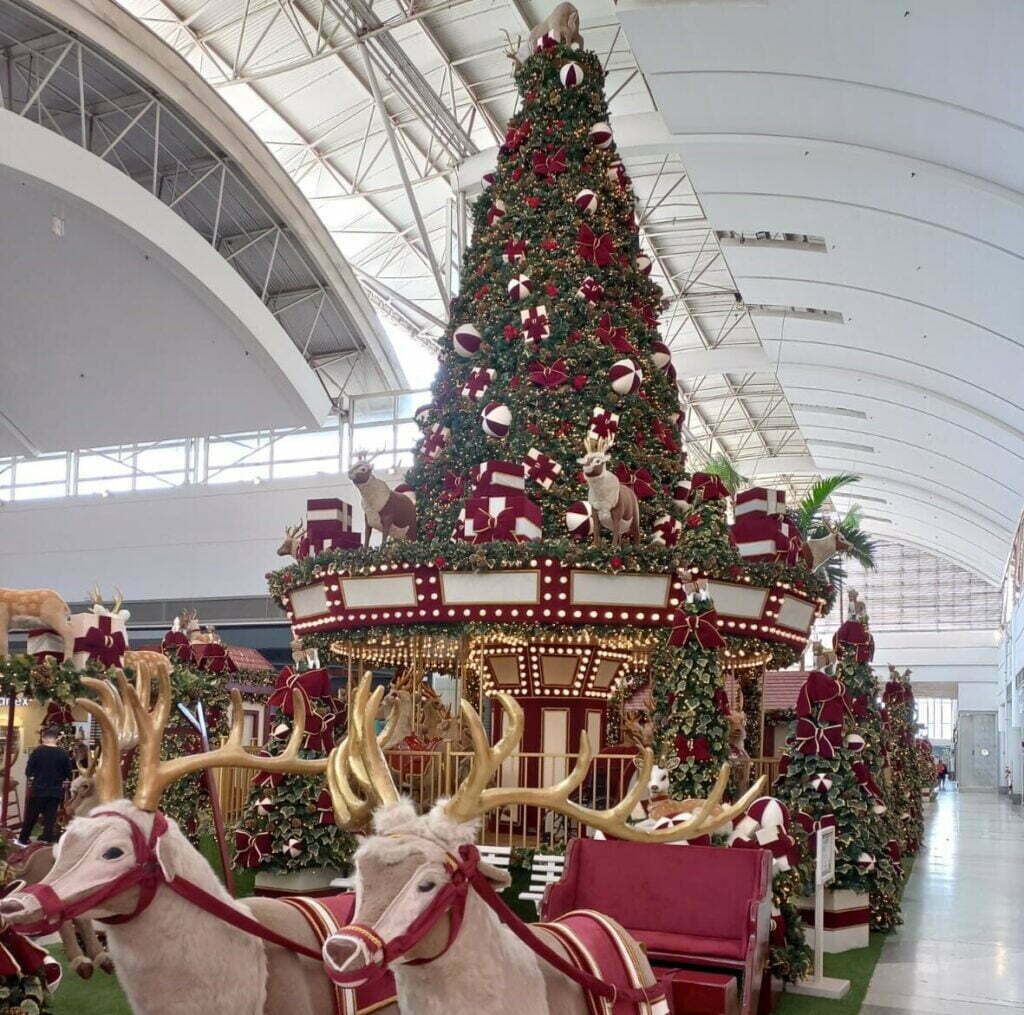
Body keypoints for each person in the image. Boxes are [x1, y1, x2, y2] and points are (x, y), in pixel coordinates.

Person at [16, 727, 74, 846]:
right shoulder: (63, 753)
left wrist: (34, 776)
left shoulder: (37, 751)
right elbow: (68, 774)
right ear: (57, 739)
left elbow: (28, 771)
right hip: (55, 792)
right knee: (50, 819)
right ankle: (46, 840)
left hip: (38, 790)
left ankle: (23, 839)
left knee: (31, 817)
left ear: (43, 738)